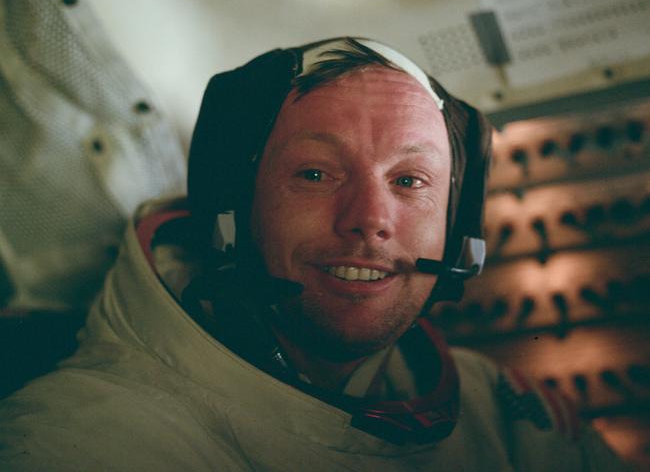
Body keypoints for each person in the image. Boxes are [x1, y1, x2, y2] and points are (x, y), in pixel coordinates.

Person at [0, 38, 627, 471]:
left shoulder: (502, 412)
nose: (370, 222)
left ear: (456, 228)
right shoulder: (82, 441)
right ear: (235, 209)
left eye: (410, 181)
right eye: (317, 175)